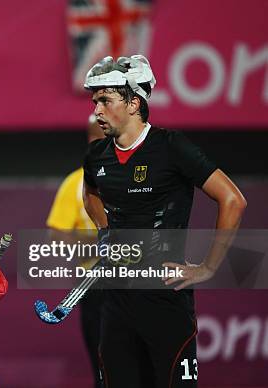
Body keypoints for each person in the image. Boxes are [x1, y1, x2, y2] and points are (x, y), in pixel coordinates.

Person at [82, 55, 246, 388]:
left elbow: (233, 200)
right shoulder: (96, 156)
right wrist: (106, 232)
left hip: (166, 302)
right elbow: (90, 194)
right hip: (115, 303)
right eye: (94, 101)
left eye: (105, 101)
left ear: (133, 103)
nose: (96, 111)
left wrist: (208, 268)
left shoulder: (172, 147)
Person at [46, 114, 104, 388]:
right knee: (102, 361)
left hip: (134, 279)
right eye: (95, 138)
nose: (100, 144)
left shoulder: (135, 176)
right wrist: (100, 245)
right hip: (93, 281)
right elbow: (56, 234)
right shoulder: (76, 183)